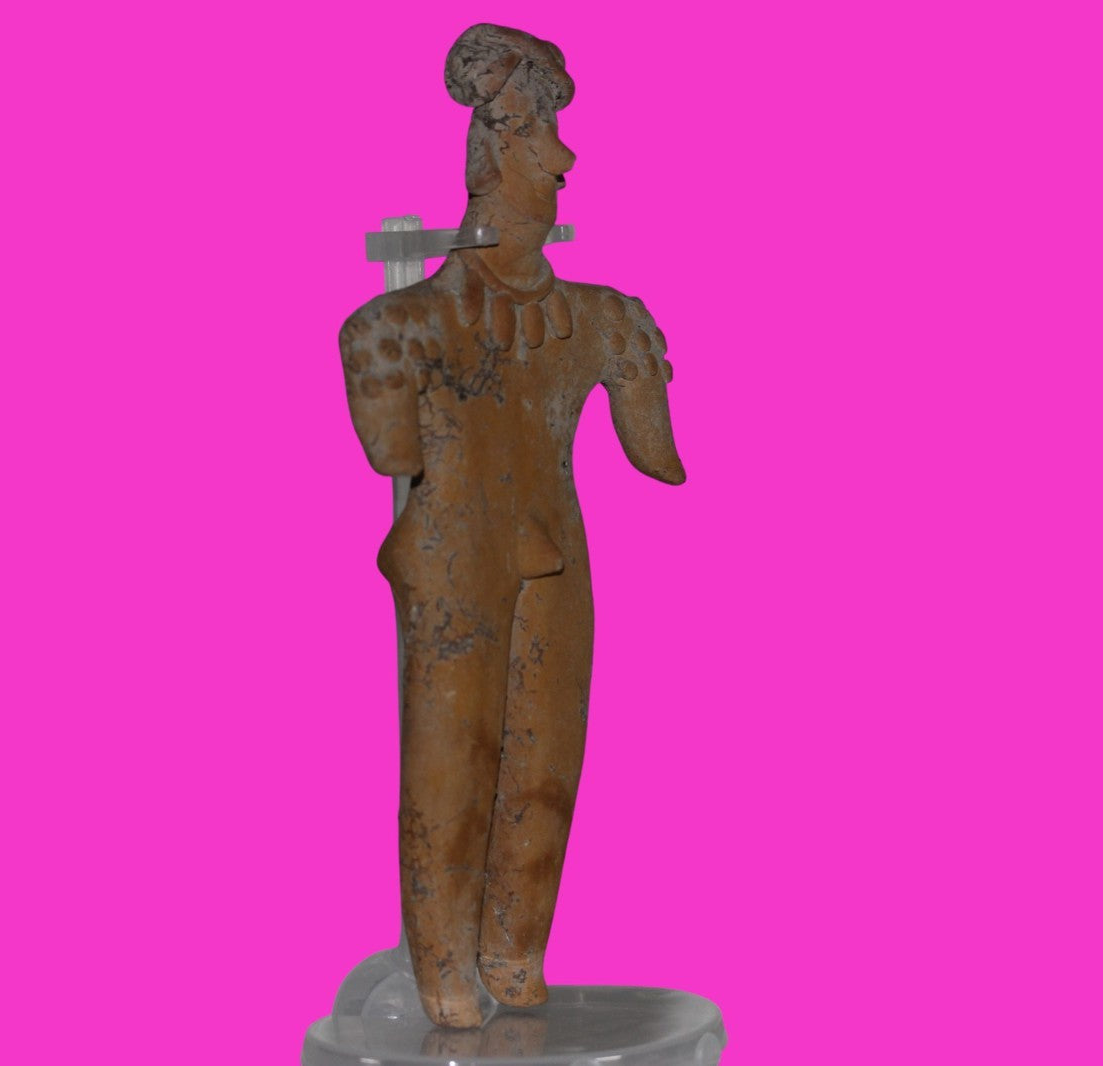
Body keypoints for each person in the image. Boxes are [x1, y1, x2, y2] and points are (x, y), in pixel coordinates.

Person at [338, 23, 684, 1029]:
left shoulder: (599, 317)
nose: (565, 159)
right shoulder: (397, 327)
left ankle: (513, 949)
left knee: (544, 767)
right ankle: (445, 962)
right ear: (493, 151)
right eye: (540, 137)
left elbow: (656, 455)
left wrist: (639, 369)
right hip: (455, 557)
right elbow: (392, 453)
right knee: (451, 765)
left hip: (554, 558)